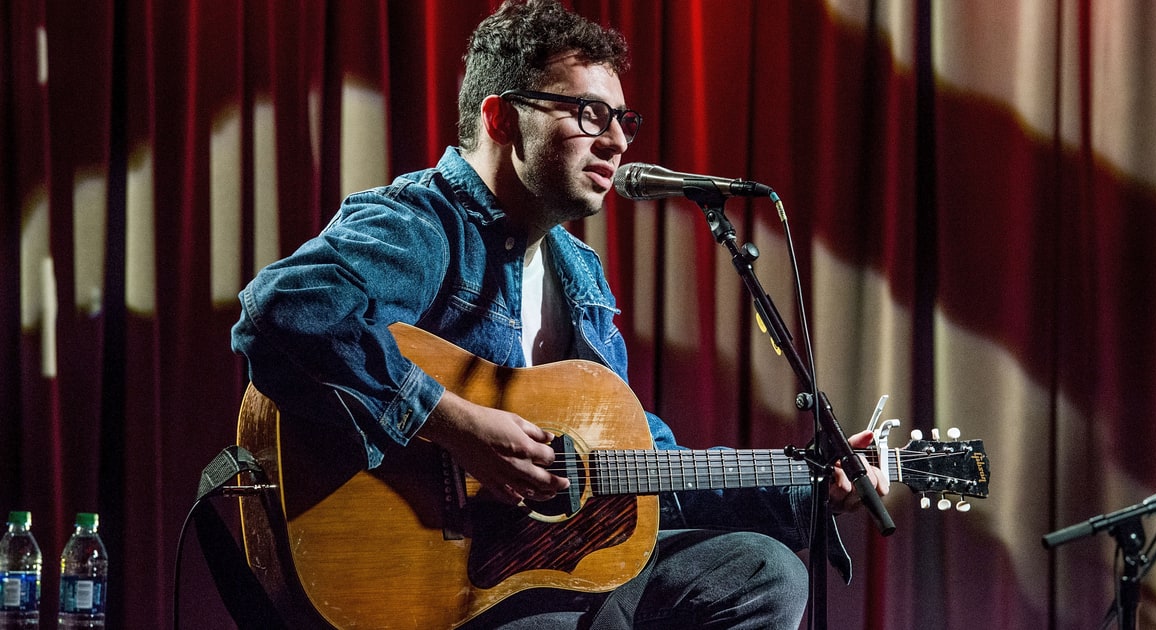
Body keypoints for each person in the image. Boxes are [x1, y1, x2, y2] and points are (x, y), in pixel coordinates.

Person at [231, 0, 888, 627]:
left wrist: (806, 486)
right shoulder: (422, 222)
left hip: (548, 566)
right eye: (588, 113)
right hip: (448, 577)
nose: (615, 143)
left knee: (764, 573)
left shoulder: (582, 276)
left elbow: (638, 462)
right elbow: (286, 309)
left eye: (623, 121)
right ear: (500, 119)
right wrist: (455, 424)